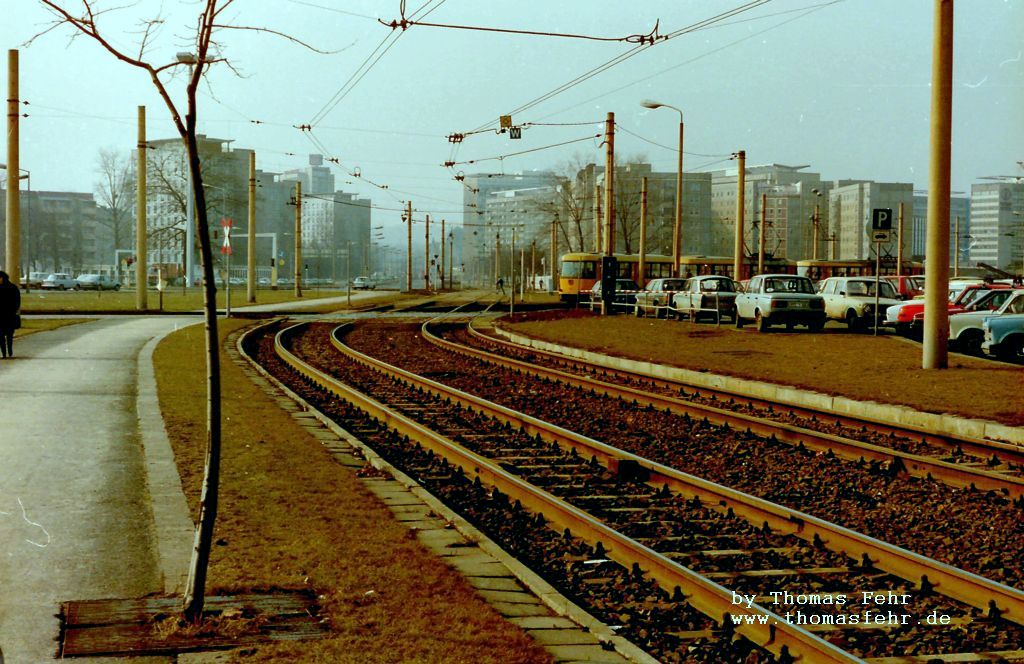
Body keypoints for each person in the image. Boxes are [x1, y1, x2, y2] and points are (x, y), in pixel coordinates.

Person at [0, 270, 21, 359]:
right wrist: (14, 311)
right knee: (9, 335)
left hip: (2, 316)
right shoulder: (14, 288)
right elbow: (17, 301)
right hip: (10, 316)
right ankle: (9, 351)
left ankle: (4, 352)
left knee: (1, 336)